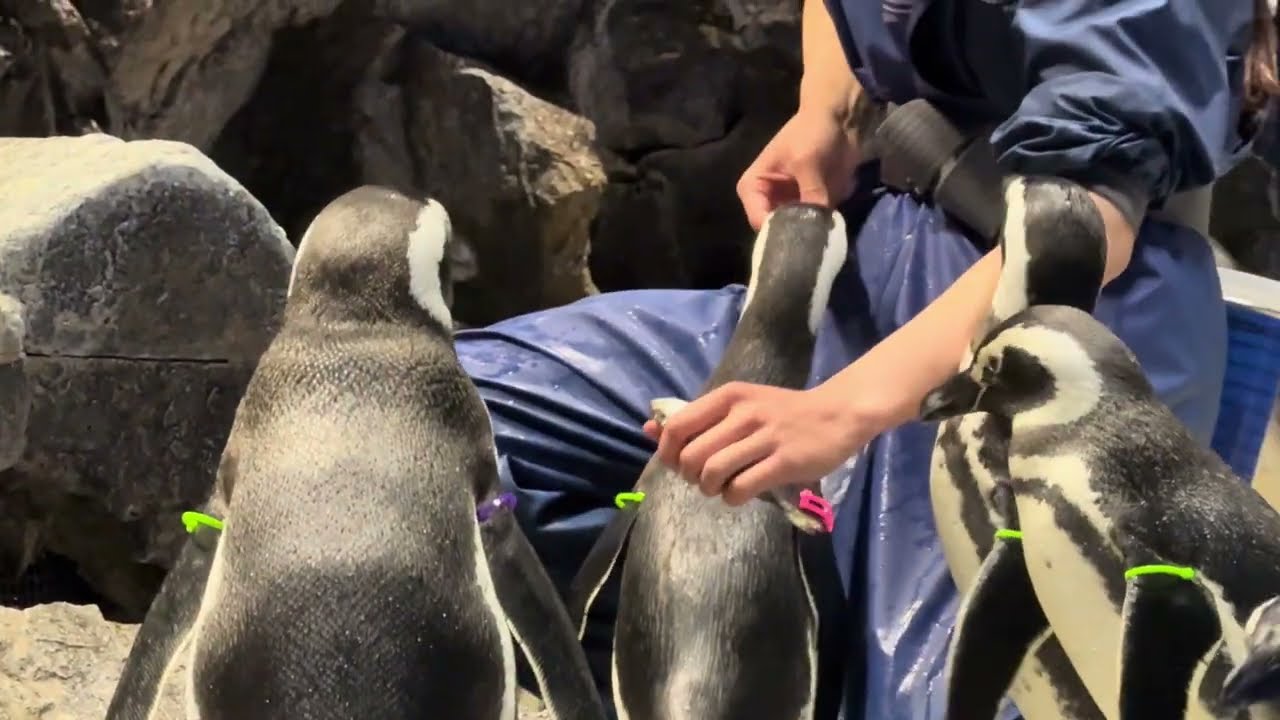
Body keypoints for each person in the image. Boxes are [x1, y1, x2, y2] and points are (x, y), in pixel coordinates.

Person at [454, 0, 1278, 717]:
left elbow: (1085, 219)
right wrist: (829, 109)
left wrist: (841, 412)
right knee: (430, 422)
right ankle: (766, 659)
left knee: (944, 690)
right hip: (881, 262)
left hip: (1052, 337)